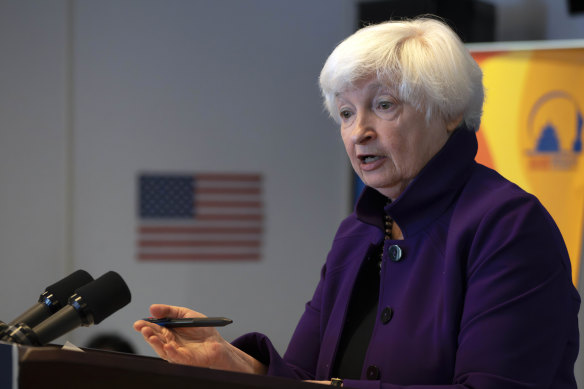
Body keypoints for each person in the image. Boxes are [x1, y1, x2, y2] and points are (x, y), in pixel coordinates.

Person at [134, 17, 580, 388]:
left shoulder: (508, 226)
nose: (358, 131)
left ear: (449, 113)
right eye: (346, 113)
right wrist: (240, 365)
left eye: (383, 105)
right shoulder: (357, 233)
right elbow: (305, 376)